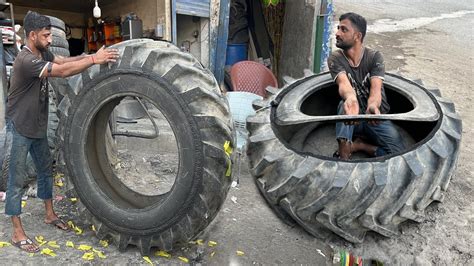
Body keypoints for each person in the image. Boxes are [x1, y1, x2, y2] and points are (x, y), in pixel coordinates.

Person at [4, 11, 119, 253]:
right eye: (45, 35)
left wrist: (90, 55)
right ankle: (17, 233)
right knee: (16, 181)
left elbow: (62, 62)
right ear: (32, 35)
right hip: (20, 127)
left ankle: (49, 214)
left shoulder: (42, 52)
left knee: (46, 172)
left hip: (37, 127)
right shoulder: (26, 61)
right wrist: (94, 61)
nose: (49, 39)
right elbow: (62, 72)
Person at [327, 12, 405, 160]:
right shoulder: (335, 58)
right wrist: (351, 99)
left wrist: (373, 106)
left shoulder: (374, 57)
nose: (337, 33)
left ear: (357, 36)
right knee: (343, 105)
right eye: (338, 28)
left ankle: (359, 146)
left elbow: (376, 89)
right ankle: (344, 156)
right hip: (352, 117)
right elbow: (343, 83)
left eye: (344, 30)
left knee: (399, 154)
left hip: (373, 118)